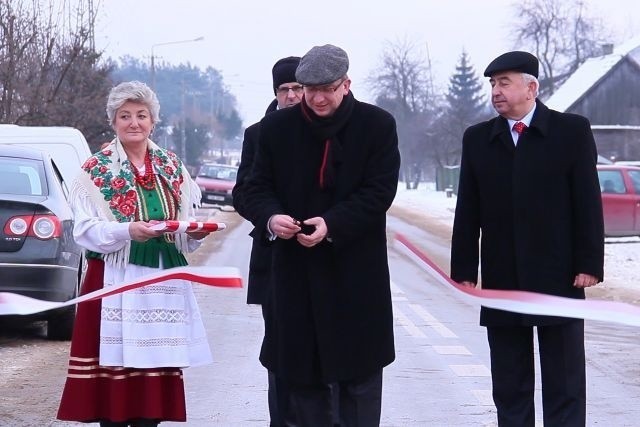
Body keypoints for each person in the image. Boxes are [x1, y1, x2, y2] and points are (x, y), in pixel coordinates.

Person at [242, 44, 400, 426]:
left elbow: (378, 192)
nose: (316, 97)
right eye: (309, 89)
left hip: (355, 276)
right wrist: (271, 217)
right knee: (302, 390)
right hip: (296, 278)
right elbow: (253, 188)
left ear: (346, 84)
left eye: (326, 88)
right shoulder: (277, 128)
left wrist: (333, 224)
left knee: (359, 388)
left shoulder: (376, 125)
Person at [450, 51, 604, 426]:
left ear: (531, 88)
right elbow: (468, 208)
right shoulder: (478, 139)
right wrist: (464, 268)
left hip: (560, 277)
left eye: (504, 83)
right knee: (510, 384)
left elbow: (587, 200)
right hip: (503, 279)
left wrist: (588, 263)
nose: (496, 91)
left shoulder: (571, 132)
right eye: (492, 84)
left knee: (564, 382)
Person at [57, 80, 214, 427]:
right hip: (114, 281)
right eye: (125, 116)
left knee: (150, 398)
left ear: (153, 122)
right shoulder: (95, 172)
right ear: (113, 122)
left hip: (161, 285)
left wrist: (196, 233)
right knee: (114, 394)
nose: (134, 123)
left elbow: (181, 233)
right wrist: (127, 230)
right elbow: (85, 231)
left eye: (141, 115)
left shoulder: (172, 169)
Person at [232, 55, 302, 426]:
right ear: (275, 93)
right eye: (284, 90)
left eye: (297, 88)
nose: (291, 96)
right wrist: (271, 218)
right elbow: (243, 193)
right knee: (281, 350)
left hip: (321, 256)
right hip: (274, 257)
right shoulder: (257, 134)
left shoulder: (327, 130)